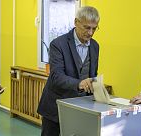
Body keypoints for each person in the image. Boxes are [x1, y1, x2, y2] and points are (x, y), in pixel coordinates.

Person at [37, 6, 100, 136]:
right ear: (76, 22)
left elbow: (92, 73)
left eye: (94, 28)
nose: (90, 33)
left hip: (81, 108)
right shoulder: (58, 44)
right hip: (55, 107)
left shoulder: (95, 46)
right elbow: (56, 76)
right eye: (87, 27)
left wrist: (95, 84)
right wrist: (80, 84)